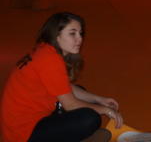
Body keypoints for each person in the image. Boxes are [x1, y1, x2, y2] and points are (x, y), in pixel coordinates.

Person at [1, 12, 124, 142]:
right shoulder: (50, 60)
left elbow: (64, 87)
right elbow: (70, 104)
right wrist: (106, 110)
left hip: (25, 121)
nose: (79, 39)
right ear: (56, 35)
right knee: (90, 118)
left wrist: (98, 99)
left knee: (82, 93)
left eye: (80, 33)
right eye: (72, 33)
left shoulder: (45, 50)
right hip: (24, 133)